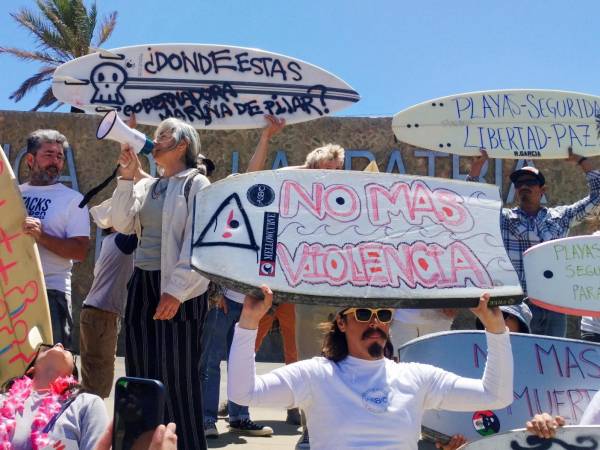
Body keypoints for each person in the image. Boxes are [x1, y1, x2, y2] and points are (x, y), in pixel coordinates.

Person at [228, 285, 514, 450]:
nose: (375, 323)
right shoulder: (315, 374)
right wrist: (249, 322)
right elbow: (244, 393)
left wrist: (496, 329)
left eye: (384, 314)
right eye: (364, 314)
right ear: (341, 322)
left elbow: (495, 396)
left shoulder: (416, 377)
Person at [110, 118, 212, 450]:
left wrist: (176, 290)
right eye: (154, 136)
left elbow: (200, 243)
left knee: (178, 377)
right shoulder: (149, 185)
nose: (156, 141)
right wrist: (126, 178)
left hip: (177, 290)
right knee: (141, 373)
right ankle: (140, 444)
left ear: (182, 145)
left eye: (164, 136)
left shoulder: (196, 184)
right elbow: (121, 223)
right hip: (142, 284)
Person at [468, 148, 600, 337]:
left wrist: (582, 160)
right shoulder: (504, 219)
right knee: (519, 357)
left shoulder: (560, 217)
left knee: (551, 358)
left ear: (542, 190)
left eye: (530, 182)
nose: (524, 186)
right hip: (516, 307)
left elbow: (597, 197)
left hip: (553, 304)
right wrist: (478, 165)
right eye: (519, 183)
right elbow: (473, 201)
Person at [20, 129, 90, 347]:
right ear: (30, 159)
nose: (56, 161)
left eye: (59, 157)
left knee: (49, 370)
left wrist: (41, 236)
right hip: (11, 292)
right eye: (48, 154)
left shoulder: (73, 200)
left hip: (51, 293)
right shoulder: (13, 195)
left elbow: (79, 251)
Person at [0, 343, 107, 449]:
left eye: (68, 350)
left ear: (72, 376)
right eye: (47, 347)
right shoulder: (3, 401)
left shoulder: (87, 404)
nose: (59, 344)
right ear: (31, 369)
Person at [79, 201, 137, 398]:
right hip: (101, 313)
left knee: (94, 369)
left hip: (97, 312)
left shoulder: (110, 242)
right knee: (100, 371)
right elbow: (144, 225)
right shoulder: (120, 241)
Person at [200, 287, 274, 438]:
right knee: (211, 363)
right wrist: (215, 293)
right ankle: (207, 419)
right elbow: (214, 263)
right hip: (222, 300)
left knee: (241, 361)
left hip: (251, 301)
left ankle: (240, 418)